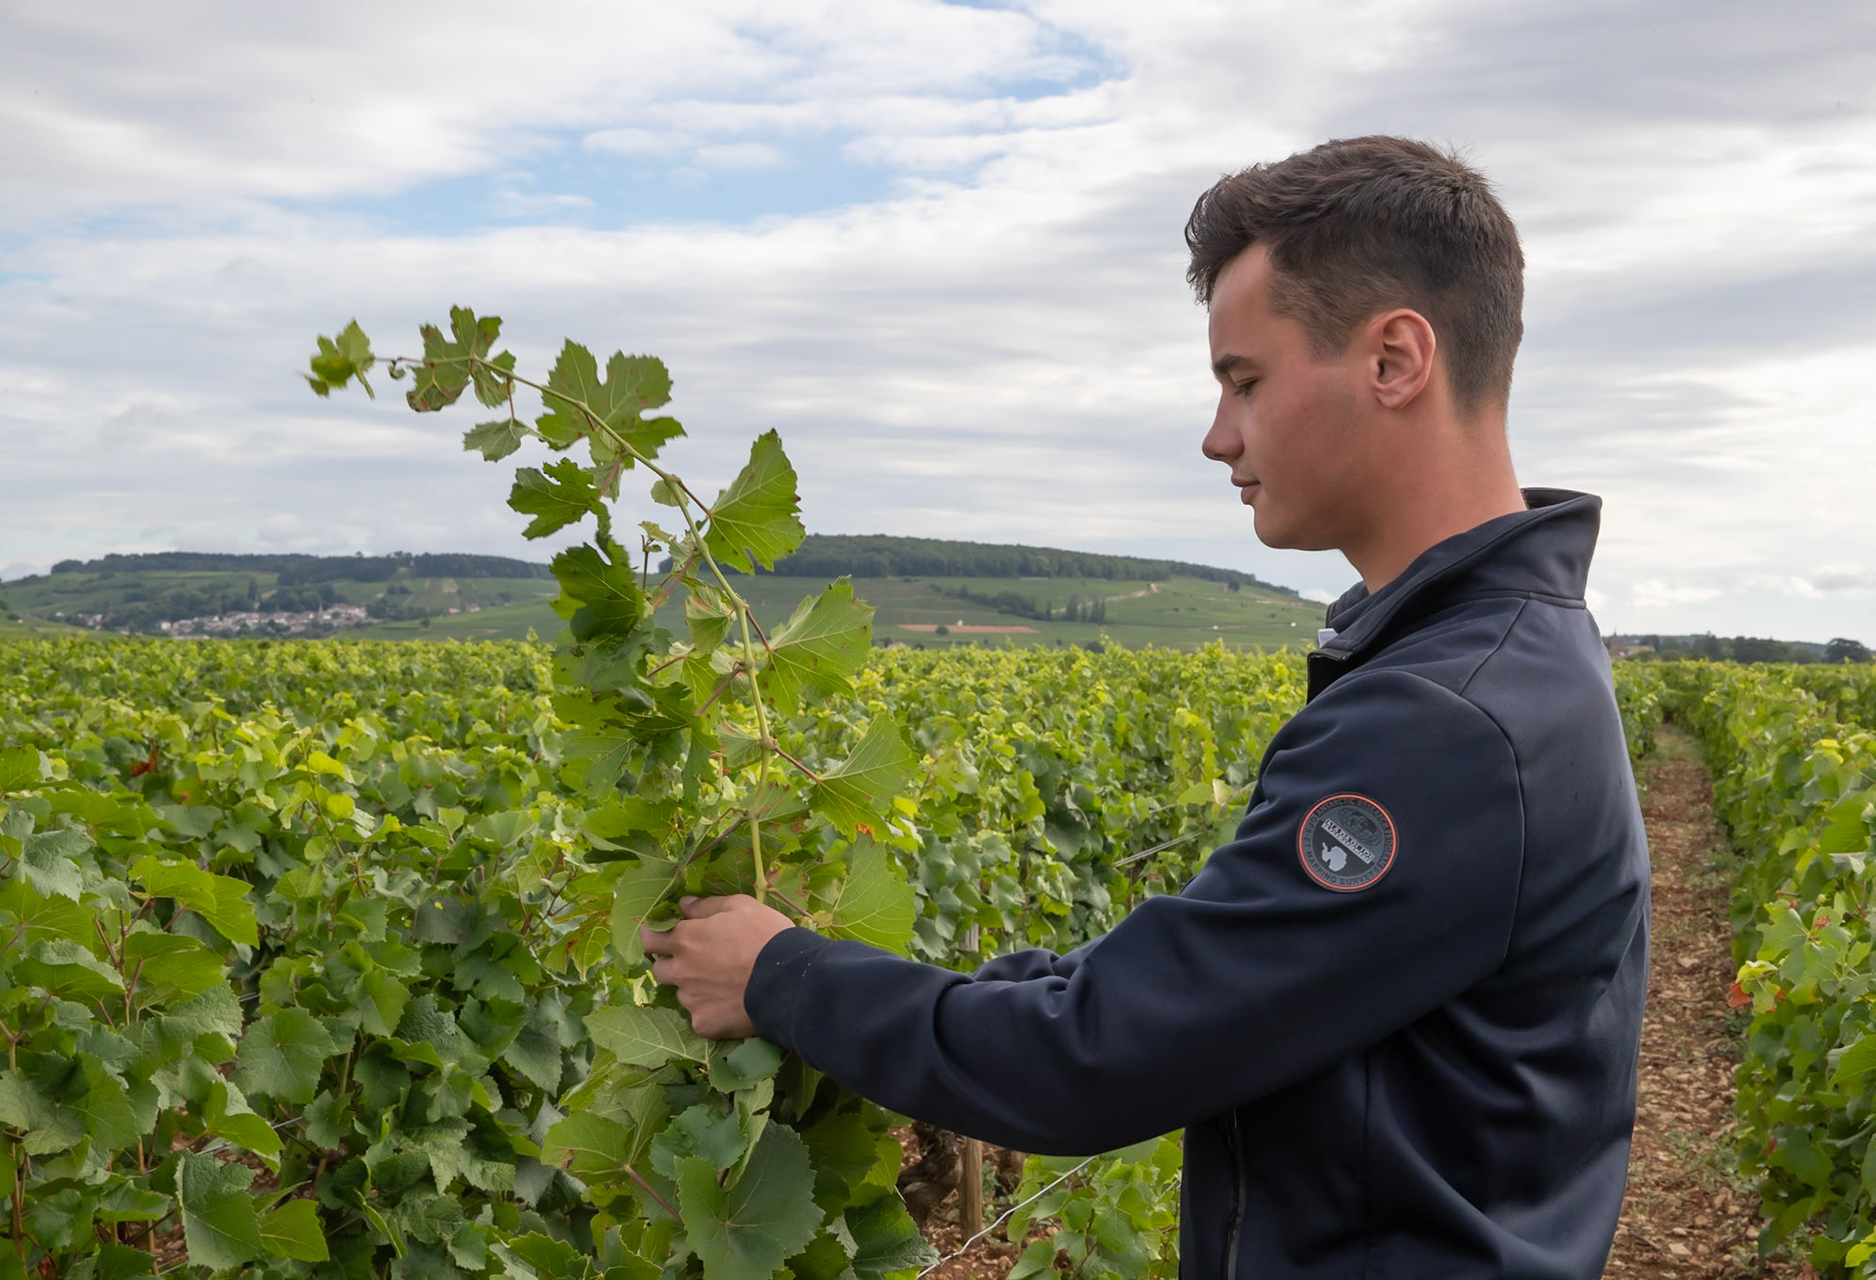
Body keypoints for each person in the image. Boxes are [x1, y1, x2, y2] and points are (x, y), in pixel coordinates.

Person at [643, 136, 1650, 1280]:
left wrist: (781, 974)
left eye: (1246, 378)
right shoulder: (1517, 659)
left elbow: (1097, 1058)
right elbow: (1194, 986)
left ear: (1395, 359)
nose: (1219, 433)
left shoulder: (1444, 721)